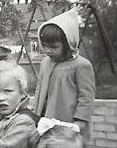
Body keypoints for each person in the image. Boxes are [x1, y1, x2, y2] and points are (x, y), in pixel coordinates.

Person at [33, 8, 95, 140]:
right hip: (46, 122)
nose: (48, 51)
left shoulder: (81, 65)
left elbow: (86, 97)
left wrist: (80, 122)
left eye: (54, 47)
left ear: (68, 43)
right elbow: (39, 90)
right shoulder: (45, 63)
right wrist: (35, 113)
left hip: (69, 125)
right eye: (44, 46)